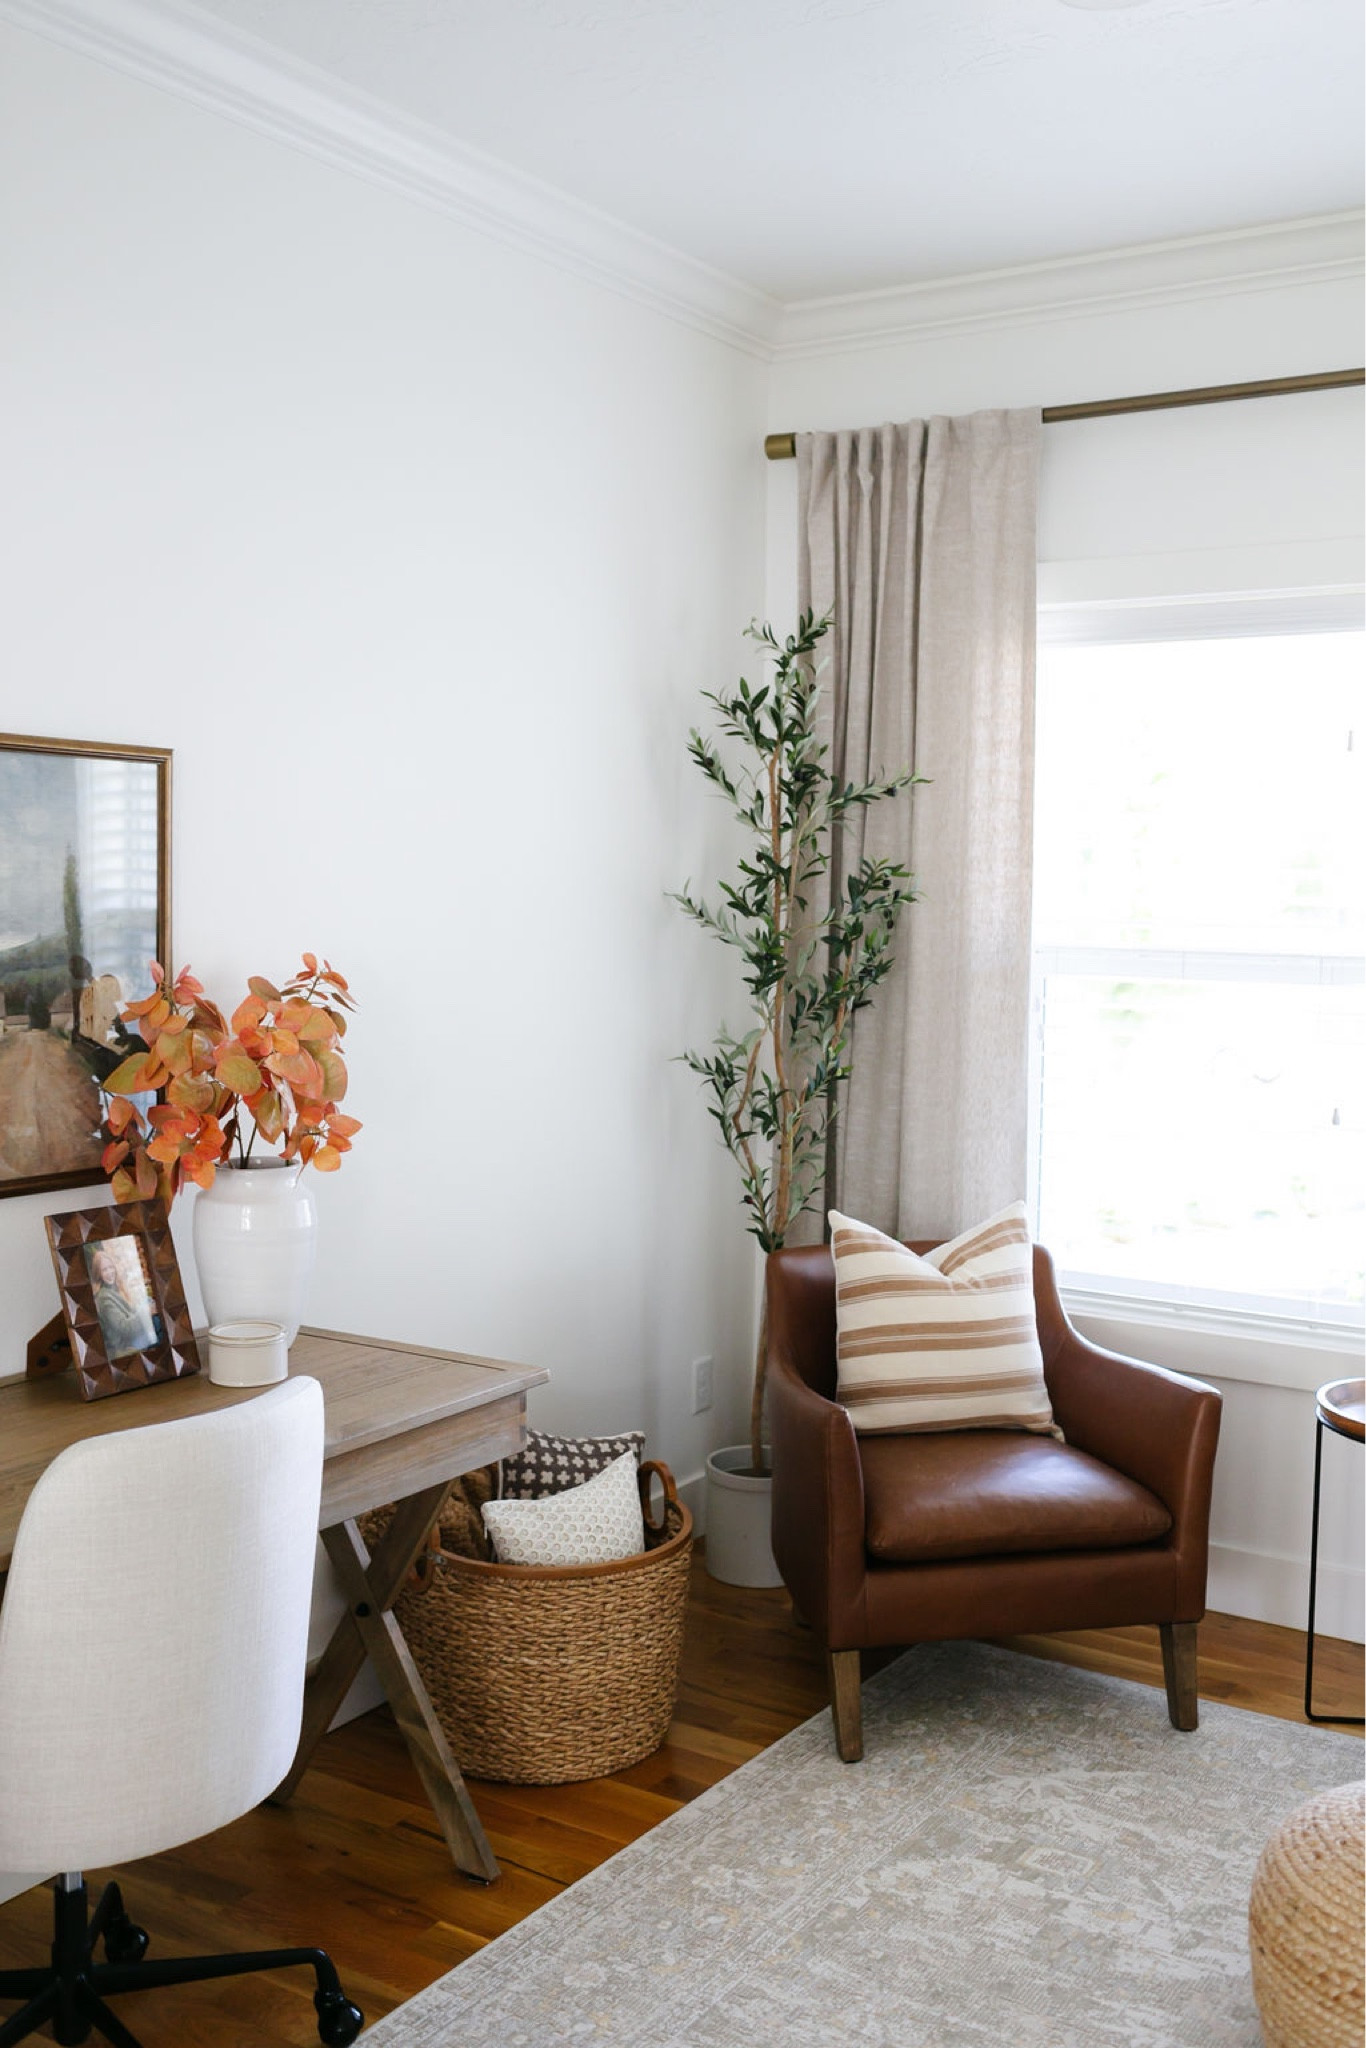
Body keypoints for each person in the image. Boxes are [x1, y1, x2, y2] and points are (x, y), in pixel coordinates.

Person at [88, 1240, 160, 1359]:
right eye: (104, 1270)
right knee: (158, 1323)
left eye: (110, 1267)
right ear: (98, 1273)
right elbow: (126, 1329)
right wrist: (146, 1312)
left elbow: (131, 1312)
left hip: (134, 1337)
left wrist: (145, 1307)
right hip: (127, 1344)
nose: (110, 1272)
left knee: (148, 1302)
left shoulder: (112, 1290)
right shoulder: (104, 1299)